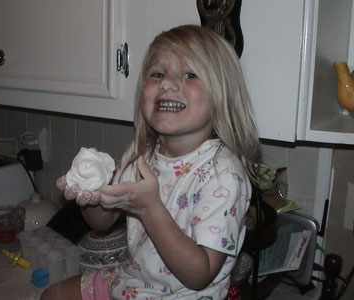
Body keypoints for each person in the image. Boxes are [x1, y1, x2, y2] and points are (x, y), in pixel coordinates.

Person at [41, 24, 259, 300]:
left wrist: (149, 208)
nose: (166, 83)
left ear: (222, 95)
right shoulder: (142, 152)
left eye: (190, 74)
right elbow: (102, 223)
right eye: (157, 73)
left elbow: (199, 275)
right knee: (53, 295)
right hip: (135, 281)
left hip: (186, 296)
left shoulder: (223, 173)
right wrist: (93, 196)